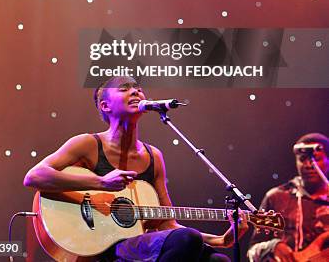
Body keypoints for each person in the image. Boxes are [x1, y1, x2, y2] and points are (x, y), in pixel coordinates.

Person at [24, 76, 248, 261]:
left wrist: (221, 240)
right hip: (101, 246)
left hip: (137, 246)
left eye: (138, 89)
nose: (135, 92)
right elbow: (34, 176)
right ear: (105, 105)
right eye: (124, 89)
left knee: (219, 260)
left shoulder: (154, 156)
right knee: (187, 240)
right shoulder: (87, 144)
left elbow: (167, 224)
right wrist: (100, 183)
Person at [247, 132, 329, 261]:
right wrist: (272, 247)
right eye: (302, 159)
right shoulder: (276, 197)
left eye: (315, 159)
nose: (308, 165)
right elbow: (252, 250)